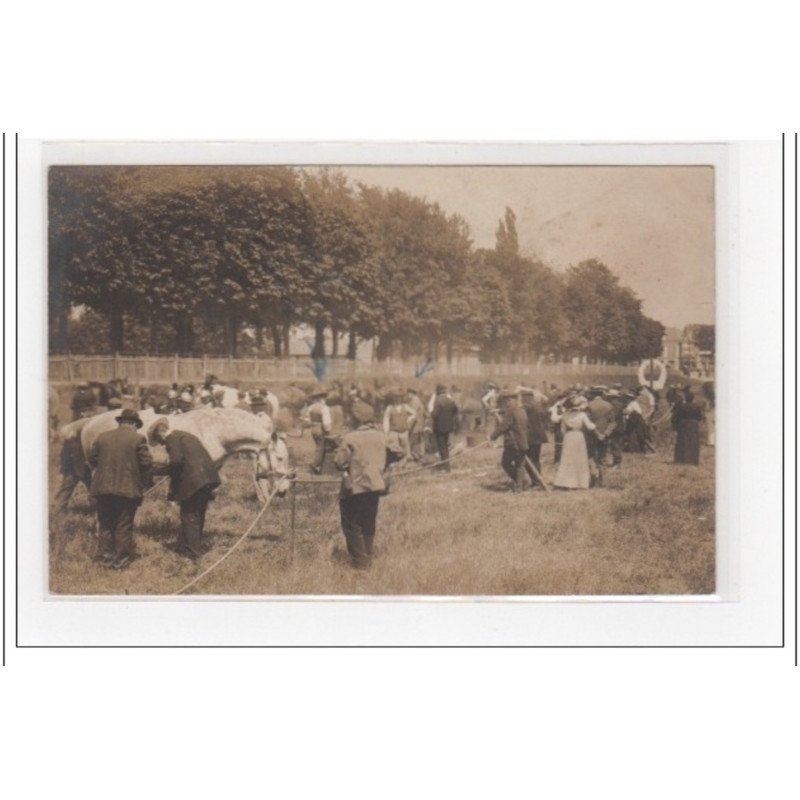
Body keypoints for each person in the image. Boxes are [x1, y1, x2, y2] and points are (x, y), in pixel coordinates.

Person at [87, 409, 153, 569]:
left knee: (105, 524)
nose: (136, 429)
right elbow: (146, 463)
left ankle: (106, 559)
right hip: (127, 490)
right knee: (123, 525)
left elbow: (92, 457)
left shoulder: (103, 437)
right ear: (132, 424)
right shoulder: (138, 439)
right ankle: (120, 562)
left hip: (102, 488)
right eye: (136, 425)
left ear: (121, 422)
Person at [150, 419, 221, 559]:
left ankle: (193, 554)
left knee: (189, 515)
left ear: (161, 434)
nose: (162, 445)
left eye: (159, 441)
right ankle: (191, 546)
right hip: (208, 478)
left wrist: (159, 470)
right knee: (198, 513)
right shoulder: (186, 435)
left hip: (194, 480)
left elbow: (176, 462)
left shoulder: (171, 438)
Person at [333, 409, 388, 569]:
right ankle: (367, 557)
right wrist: (382, 463)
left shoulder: (351, 437)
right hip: (376, 485)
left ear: (355, 420)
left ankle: (361, 564)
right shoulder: (381, 435)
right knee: (368, 521)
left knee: (351, 524)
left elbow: (339, 462)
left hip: (355, 487)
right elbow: (398, 452)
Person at [551, 396, 601, 490]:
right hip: (578, 436)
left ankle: (566, 482)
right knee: (580, 459)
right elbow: (590, 427)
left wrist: (566, 436)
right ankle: (580, 482)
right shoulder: (582, 415)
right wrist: (595, 425)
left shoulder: (565, 414)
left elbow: (562, 430)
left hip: (568, 437)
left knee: (567, 459)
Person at [490, 389, 529, 492]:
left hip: (513, 442)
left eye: (506, 400)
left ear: (511, 400)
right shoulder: (521, 410)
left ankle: (521, 482)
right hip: (523, 441)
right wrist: (498, 411)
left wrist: (493, 437)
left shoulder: (510, 411)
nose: (505, 402)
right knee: (520, 465)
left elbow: (504, 426)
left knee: (506, 463)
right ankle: (520, 487)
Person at [53, 436, 93, 514]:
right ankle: (95, 511)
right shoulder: (81, 440)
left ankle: (58, 511)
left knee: (65, 490)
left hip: (74, 469)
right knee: (93, 489)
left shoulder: (69, 441)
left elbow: (64, 457)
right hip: (78, 469)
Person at [587, 387, 617, 486]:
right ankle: (603, 481)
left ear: (593, 394)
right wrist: (605, 434)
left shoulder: (589, 405)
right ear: (601, 394)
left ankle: (593, 478)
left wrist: (597, 433)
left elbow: (588, 422)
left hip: (592, 435)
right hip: (605, 436)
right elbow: (613, 423)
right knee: (602, 457)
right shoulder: (609, 405)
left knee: (591, 456)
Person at [520, 387, 548, 489]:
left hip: (531, 437)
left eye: (523, 397)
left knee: (528, 460)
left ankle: (536, 481)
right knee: (535, 459)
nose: (521, 399)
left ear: (526, 397)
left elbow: (515, 411)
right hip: (539, 436)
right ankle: (537, 481)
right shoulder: (538, 406)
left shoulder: (527, 407)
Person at [304, 387, 336, 474]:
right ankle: (315, 465)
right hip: (321, 429)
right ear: (321, 398)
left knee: (318, 446)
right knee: (321, 448)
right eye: (324, 398)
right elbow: (326, 423)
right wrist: (328, 431)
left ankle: (319, 466)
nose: (325, 399)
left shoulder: (311, 408)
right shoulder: (324, 408)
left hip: (313, 429)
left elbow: (307, 420)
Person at [430, 384, 459, 471]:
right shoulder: (450, 400)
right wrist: (449, 417)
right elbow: (456, 410)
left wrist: (431, 412)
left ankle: (446, 467)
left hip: (439, 427)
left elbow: (435, 414)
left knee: (442, 447)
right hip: (448, 426)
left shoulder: (438, 400)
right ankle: (447, 465)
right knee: (445, 446)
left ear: (437, 392)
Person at [382, 389, 417, 462]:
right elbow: (386, 420)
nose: (397, 399)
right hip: (393, 432)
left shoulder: (405, 406)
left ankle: (406, 464)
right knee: (395, 450)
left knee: (406, 448)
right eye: (395, 397)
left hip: (404, 431)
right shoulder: (389, 407)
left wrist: (408, 421)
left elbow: (414, 414)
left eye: (399, 397)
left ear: (401, 398)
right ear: (393, 398)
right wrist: (386, 432)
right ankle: (396, 465)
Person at [672, 388, 703, 465]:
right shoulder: (697, 407)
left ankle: (682, 460)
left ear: (685, 398)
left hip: (683, 424)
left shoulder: (682, 407)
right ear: (693, 398)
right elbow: (699, 417)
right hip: (694, 425)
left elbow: (675, 417)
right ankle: (693, 460)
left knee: (683, 442)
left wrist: (675, 426)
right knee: (693, 442)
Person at [406, 387, 427, 461]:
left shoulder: (414, 401)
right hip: (420, 423)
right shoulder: (418, 400)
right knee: (420, 440)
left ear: (411, 393)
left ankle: (415, 456)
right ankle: (421, 455)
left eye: (408, 394)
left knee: (413, 440)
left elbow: (413, 414)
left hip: (415, 424)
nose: (407, 395)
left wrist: (408, 425)